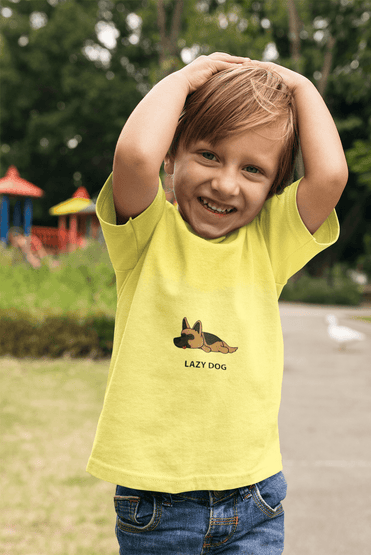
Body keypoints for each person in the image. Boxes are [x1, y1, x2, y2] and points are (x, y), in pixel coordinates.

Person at [87, 52, 348, 554]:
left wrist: (298, 85)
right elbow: (135, 157)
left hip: (256, 498)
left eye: (253, 169)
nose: (226, 183)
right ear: (173, 156)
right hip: (160, 507)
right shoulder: (145, 233)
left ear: (273, 188)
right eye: (209, 154)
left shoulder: (271, 243)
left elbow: (330, 176)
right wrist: (185, 79)